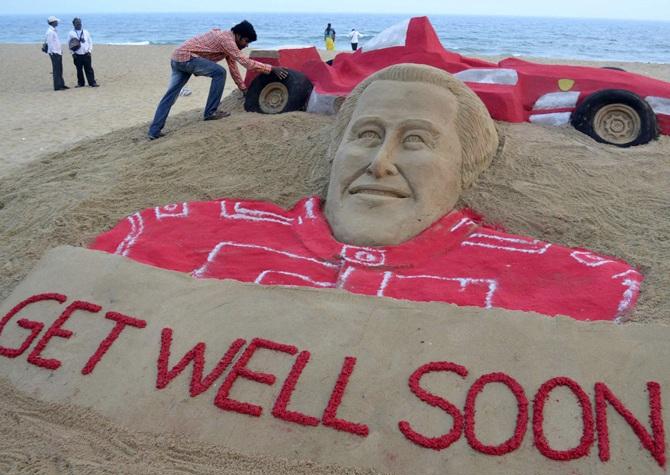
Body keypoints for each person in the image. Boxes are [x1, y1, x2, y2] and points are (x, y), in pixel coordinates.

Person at [92, 64, 642, 322]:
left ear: (467, 167)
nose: (380, 165)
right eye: (367, 136)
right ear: (333, 149)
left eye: (418, 142)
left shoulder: (578, 281)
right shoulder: (170, 231)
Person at [147, 20, 288, 140]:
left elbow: (233, 66)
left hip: (177, 57)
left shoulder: (228, 41)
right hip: (187, 58)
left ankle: (154, 132)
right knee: (219, 73)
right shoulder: (227, 40)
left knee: (170, 96)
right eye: (246, 41)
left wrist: (243, 88)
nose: (247, 45)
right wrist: (271, 68)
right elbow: (245, 62)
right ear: (238, 36)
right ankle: (210, 112)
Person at [68, 17, 98, 88]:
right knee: (79, 70)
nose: (79, 24)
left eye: (80, 22)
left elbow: (90, 42)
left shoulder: (86, 32)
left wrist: (89, 51)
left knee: (89, 69)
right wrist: (72, 53)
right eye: (77, 23)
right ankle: (81, 83)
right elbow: (69, 44)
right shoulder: (71, 33)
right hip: (77, 55)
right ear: (74, 24)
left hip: (86, 54)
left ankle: (92, 83)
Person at [45, 16, 68, 91]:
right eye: (56, 21)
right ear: (53, 22)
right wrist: (54, 52)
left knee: (59, 69)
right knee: (56, 70)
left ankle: (61, 84)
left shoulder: (53, 31)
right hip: (54, 53)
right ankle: (57, 86)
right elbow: (50, 43)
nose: (57, 22)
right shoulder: (50, 32)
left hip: (57, 52)